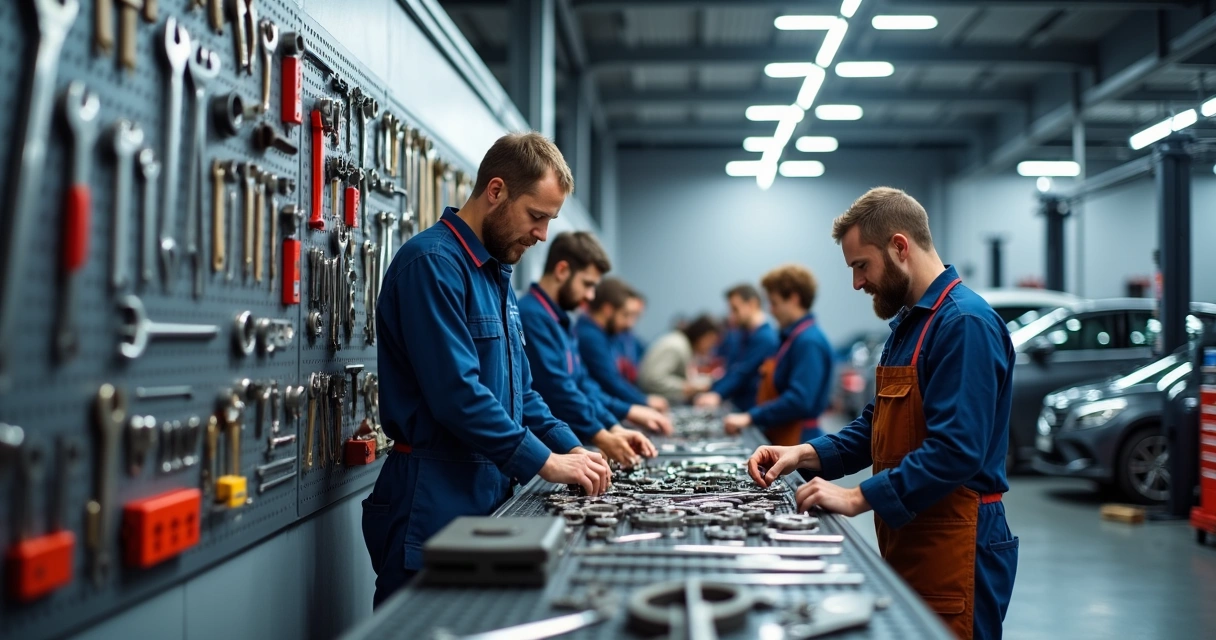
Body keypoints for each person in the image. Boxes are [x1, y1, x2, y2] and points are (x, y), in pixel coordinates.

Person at [746, 187, 1017, 640]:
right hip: (916, 531)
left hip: (957, 540)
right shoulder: (912, 324)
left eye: (860, 266)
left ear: (899, 246)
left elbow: (956, 451)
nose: (857, 283)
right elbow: (876, 425)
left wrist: (856, 498)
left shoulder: (963, 324)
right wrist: (803, 453)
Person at [363, 133, 612, 607]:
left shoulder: (494, 275)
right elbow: (457, 395)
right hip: (433, 497)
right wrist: (546, 463)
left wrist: (575, 449)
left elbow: (523, 396)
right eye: (536, 217)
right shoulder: (432, 264)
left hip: (488, 490)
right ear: (495, 191)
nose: (542, 235)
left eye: (549, 221)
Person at [519, 232, 669, 465]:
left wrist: (613, 426)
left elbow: (584, 384)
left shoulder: (560, 320)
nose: (590, 296)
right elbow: (559, 389)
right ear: (562, 271)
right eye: (587, 284)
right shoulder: (532, 316)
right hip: (548, 451)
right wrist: (602, 434)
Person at [721, 266, 832, 445]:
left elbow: (799, 400)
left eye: (774, 303)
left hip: (800, 439)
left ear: (794, 299)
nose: (770, 310)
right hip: (783, 432)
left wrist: (752, 416)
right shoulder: (791, 338)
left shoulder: (809, 341)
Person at [577, 278, 670, 413]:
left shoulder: (607, 334)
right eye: (625, 315)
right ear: (608, 309)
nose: (629, 324)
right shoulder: (590, 337)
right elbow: (610, 382)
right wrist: (643, 401)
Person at [695, 284, 779, 412]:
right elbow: (732, 369)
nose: (731, 315)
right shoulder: (742, 334)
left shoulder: (766, 338)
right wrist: (712, 388)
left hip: (752, 409)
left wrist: (717, 394)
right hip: (738, 406)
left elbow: (743, 372)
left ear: (752, 304)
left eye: (735, 309)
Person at [638, 315, 722, 404]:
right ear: (704, 337)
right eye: (712, 342)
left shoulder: (683, 344)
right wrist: (688, 387)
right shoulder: (677, 346)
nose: (711, 348)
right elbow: (654, 379)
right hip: (650, 400)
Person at [611, 293, 647, 384]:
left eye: (637, 316)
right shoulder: (611, 335)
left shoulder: (632, 338)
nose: (631, 322)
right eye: (628, 314)